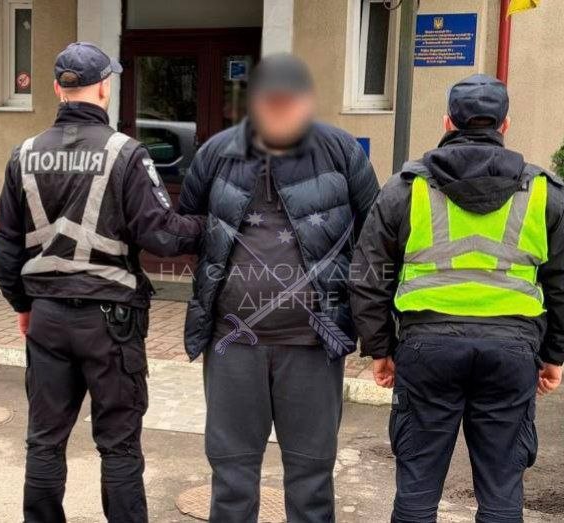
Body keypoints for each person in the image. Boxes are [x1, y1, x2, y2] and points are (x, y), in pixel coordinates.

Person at [349, 74, 564, 522]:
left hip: (427, 348)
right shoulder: (543, 192)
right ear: (505, 124)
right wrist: (554, 355)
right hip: (512, 349)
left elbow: (368, 276)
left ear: (447, 122)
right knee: (501, 491)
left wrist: (380, 349)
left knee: (417, 487)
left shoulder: (406, 188)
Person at [0, 42, 204, 523]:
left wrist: (24, 305)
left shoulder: (24, 154)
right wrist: (209, 227)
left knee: (44, 441)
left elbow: (6, 249)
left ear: (57, 88)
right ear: (105, 87)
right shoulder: (125, 153)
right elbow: (162, 235)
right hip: (111, 323)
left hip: (47, 318)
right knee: (119, 445)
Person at [179, 53, 379, 522]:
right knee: (231, 476)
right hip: (232, 343)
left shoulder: (341, 150)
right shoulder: (218, 152)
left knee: (312, 478)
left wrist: (371, 324)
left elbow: (376, 233)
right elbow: (191, 226)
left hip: (312, 343)